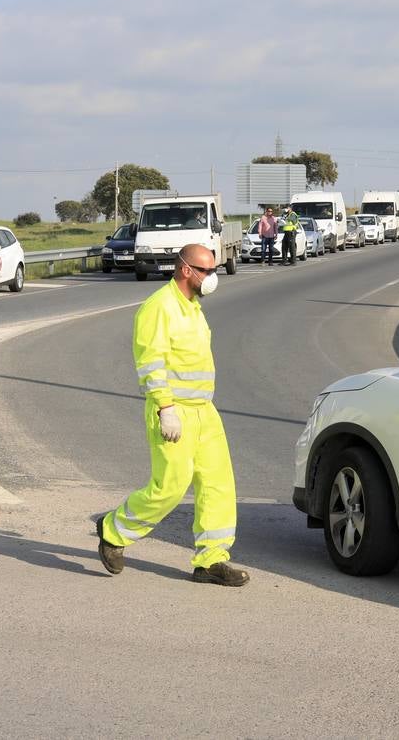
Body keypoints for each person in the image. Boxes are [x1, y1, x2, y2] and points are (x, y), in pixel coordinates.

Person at [98, 242, 249, 587]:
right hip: (173, 410)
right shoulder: (159, 307)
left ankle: (211, 560)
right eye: (207, 271)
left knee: (218, 485)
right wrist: (166, 408)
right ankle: (113, 531)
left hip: (204, 411)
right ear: (186, 270)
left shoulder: (193, 306)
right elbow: (151, 364)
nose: (212, 277)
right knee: (170, 487)